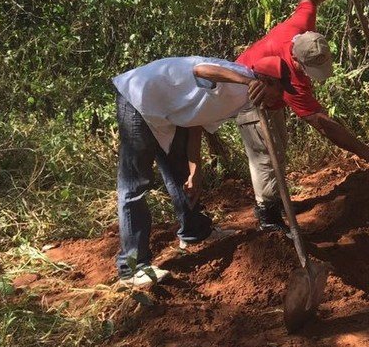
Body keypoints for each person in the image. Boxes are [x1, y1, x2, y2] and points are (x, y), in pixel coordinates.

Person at [234, 0, 369, 233]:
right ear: (298, 62)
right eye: (309, 71)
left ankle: (278, 199)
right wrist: (366, 152)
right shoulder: (292, 78)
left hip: (270, 88)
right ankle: (268, 215)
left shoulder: (301, 31)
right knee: (266, 153)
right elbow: (323, 124)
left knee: (279, 146)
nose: (312, 76)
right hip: (246, 91)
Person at [113, 55, 290, 287]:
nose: (282, 98)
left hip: (167, 111)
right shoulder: (240, 80)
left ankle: (195, 231)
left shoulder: (246, 101)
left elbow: (196, 122)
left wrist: (194, 169)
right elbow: (201, 70)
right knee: (135, 184)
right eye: (281, 90)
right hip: (139, 99)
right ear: (268, 81)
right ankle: (132, 268)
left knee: (181, 172)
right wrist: (246, 82)